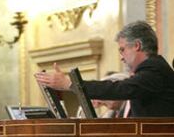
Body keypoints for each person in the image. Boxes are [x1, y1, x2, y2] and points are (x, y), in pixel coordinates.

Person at [35, 21, 174, 117]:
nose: (122, 57)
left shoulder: (154, 69)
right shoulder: (152, 68)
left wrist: (70, 84)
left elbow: (119, 89)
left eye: (122, 49)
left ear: (137, 45)